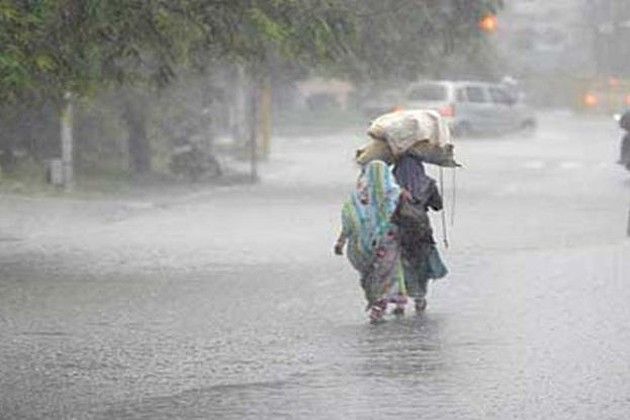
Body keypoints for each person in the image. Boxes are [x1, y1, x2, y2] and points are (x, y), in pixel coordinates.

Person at [334, 160, 408, 323]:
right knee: (387, 272)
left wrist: (341, 241)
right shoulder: (395, 193)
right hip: (388, 241)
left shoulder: (358, 196)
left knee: (370, 275)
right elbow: (409, 215)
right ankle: (383, 303)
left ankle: (378, 302)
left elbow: (349, 220)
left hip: (362, 247)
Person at [391, 153, 448, 313]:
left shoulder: (391, 183)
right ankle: (420, 297)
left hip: (397, 229)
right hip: (421, 230)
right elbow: (438, 206)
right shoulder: (428, 183)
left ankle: (399, 300)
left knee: (399, 264)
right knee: (421, 263)